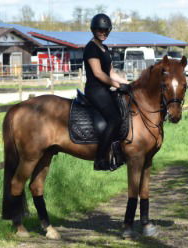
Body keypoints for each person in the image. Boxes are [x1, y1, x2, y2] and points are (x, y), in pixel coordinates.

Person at [83, 13, 129, 170]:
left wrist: (129, 84)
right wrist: (116, 85)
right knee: (115, 119)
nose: (102, 33)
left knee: (124, 112)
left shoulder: (105, 48)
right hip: (94, 90)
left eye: (105, 30)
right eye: (99, 30)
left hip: (104, 89)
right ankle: (100, 158)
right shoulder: (91, 48)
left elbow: (111, 73)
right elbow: (98, 73)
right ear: (93, 30)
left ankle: (117, 151)